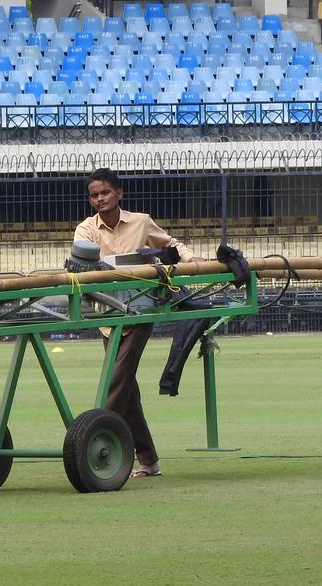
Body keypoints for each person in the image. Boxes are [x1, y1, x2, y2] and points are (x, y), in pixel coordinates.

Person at [74, 168, 199, 479]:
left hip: (142, 309)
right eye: (94, 195)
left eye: (104, 192)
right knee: (127, 386)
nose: (99, 199)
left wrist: (191, 260)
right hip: (107, 315)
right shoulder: (86, 230)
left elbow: (171, 244)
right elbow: (80, 264)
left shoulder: (141, 222)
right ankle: (149, 460)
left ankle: (95, 435)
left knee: (118, 378)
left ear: (119, 193)